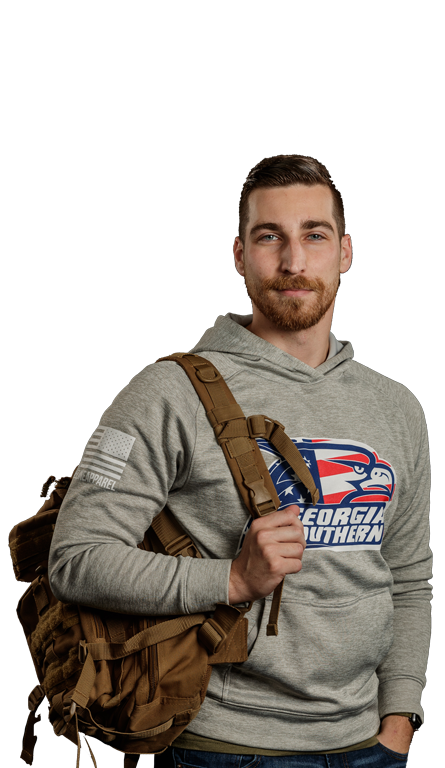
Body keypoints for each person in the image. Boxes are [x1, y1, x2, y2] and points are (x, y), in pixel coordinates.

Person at [48, 154, 432, 767]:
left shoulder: (396, 407)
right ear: (239, 255)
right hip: (223, 748)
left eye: (314, 235)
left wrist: (399, 718)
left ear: (345, 252)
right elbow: (76, 559)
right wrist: (231, 580)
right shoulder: (167, 392)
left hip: (368, 747)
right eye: (269, 237)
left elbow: (408, 576)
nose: (293, 261)